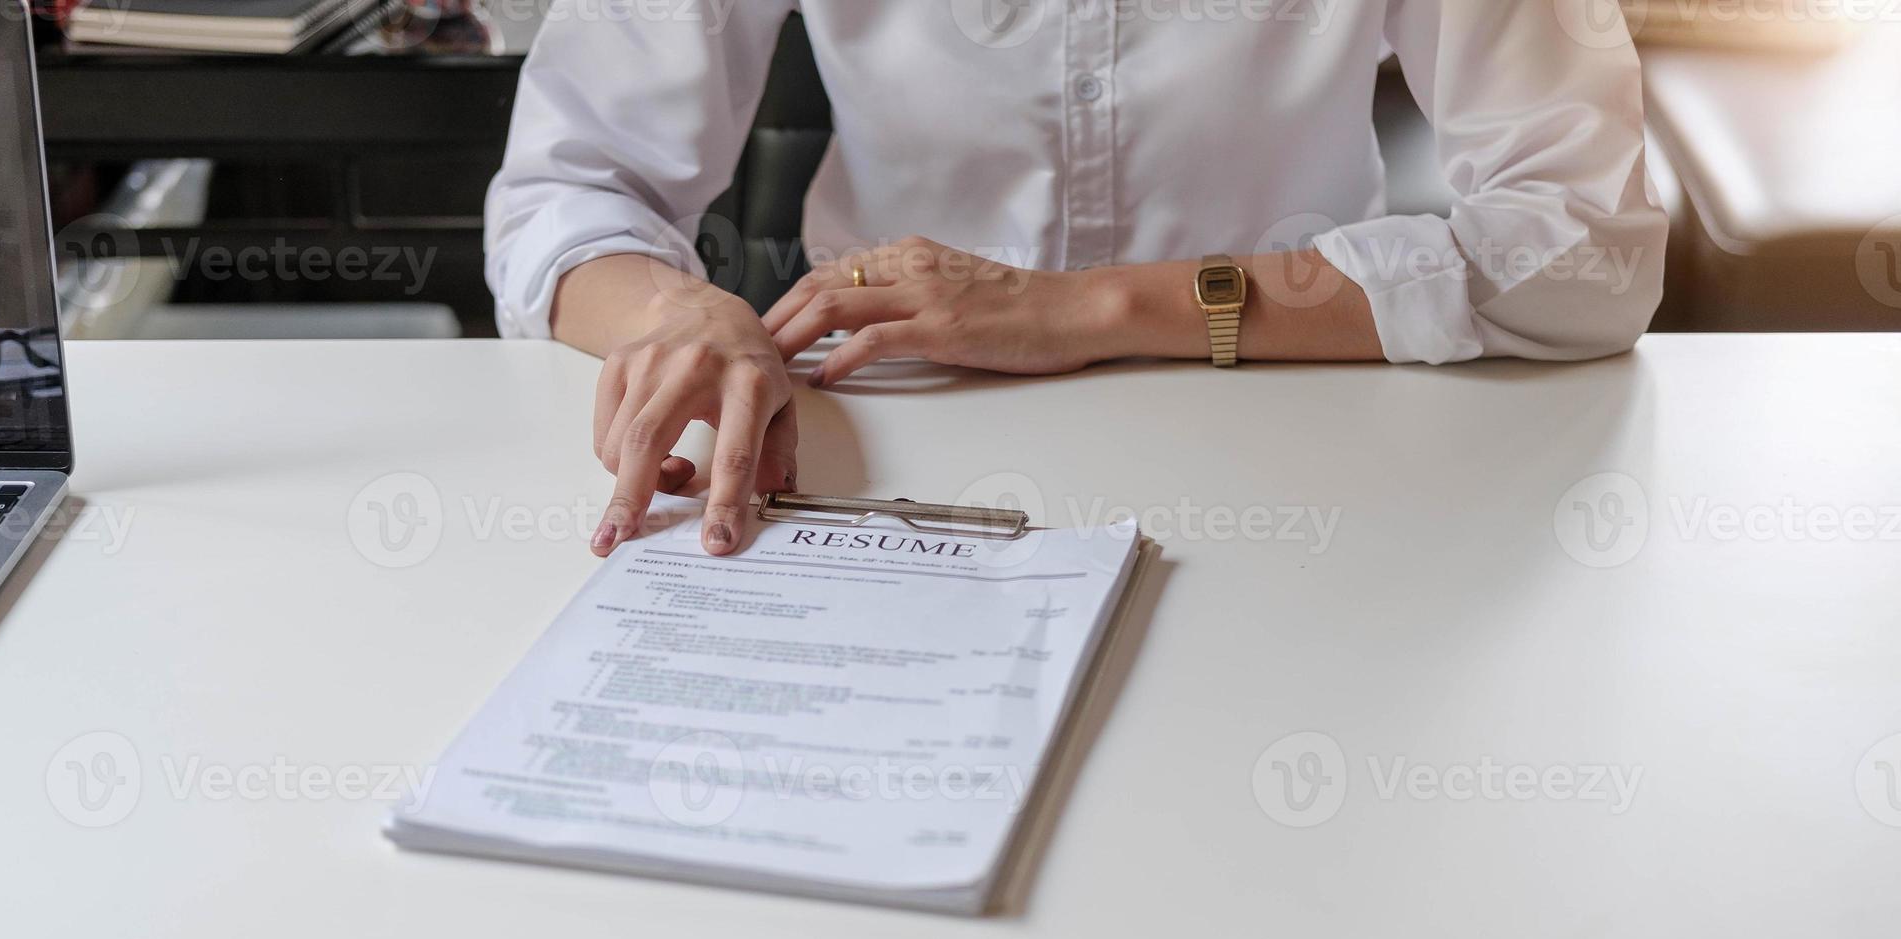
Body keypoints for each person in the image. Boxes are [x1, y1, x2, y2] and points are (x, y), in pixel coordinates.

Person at [484, 1, 1668, 558]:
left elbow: (1582, 245)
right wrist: (680, 309)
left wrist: (1086, 307)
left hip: (1303, 435)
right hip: (873, 447)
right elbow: (567, 188)